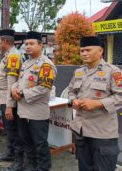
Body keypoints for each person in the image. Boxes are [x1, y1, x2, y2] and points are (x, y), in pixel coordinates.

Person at [68, 36, 122, 171]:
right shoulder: (78, 71)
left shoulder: (113, 71)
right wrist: (73, 100)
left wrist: (98, 104)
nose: (84, 53)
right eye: (82, 51)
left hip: (103, 133)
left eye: (88, 50)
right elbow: (71, 91)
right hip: (82, 131)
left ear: (100, 51)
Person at [11, 31, 57, 171]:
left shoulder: (46, 65)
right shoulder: (26, 63)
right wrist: (14, 89)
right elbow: (19, 81)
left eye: (31, 43)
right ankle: (31, 166)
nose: (28, 46)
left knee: (40, 144)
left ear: (40, 45)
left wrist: (22, 93)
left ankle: (43, 168)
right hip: (23, 110)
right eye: (26, 44)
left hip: (37, 112)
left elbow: (44, 87)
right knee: (26, 141)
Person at [0, 29, 24, 171]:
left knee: (13, 130)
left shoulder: (13, 56)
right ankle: (10, 152)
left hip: (10, 101)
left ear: (5, 41)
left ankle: (19, 161)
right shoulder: (8, 55)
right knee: (8, 128)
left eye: (0, 41)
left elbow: (12, 83)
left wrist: (9, 106)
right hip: (4, 98)